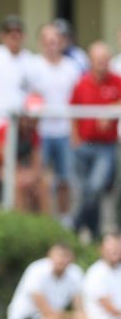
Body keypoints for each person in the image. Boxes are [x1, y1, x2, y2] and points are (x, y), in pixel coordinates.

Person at [24, 24, 80, 225]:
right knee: (39, 180)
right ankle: (39, 222)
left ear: (62, 43)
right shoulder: (33, 66)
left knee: (64, 179)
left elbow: (76, 102)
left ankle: (64, 221)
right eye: (47, 41)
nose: (51, 46)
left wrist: (75, 132)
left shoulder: (71, 68)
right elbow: (28, 99)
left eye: (54, 41)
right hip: (41, 133)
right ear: (41, 43)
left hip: (64, 131)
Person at [69, 41, 121, 238]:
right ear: (91, 61)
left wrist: (111, 110)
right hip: (83, 145)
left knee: (96, 186)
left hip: (106, 146)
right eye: (98, 60)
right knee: (85, 192)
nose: (102, 63)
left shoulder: (117, 81)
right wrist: (74, 138)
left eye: (105, 60)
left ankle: (75, 224)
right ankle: (94, 232)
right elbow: (73, 111)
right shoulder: (81, 83)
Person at [82, 234, 121, 319]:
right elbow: (111, 309)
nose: (114, 250)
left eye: (117, 247)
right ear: (101, 249)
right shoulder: (96, 273)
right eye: (110, 247)